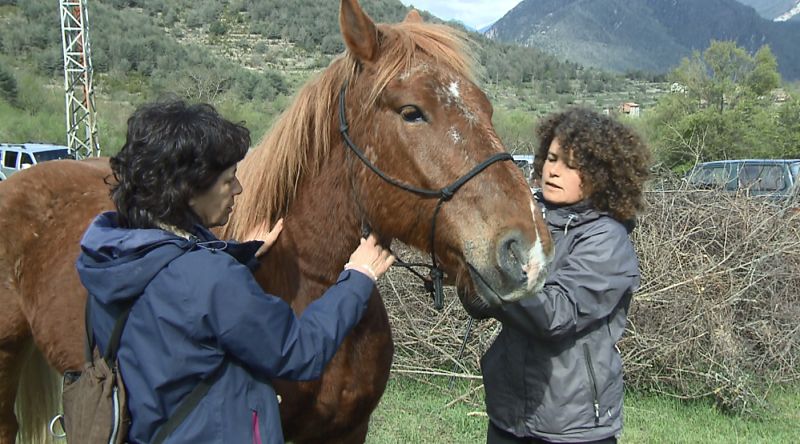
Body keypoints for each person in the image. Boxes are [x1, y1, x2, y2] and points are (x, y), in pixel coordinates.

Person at [76, 100, 394, 443]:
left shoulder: (112, 256)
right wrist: (358, 276)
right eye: (228, 180)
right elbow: (299, 351)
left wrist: (240, 253)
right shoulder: (210, 278)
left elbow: (175, 305)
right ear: (188, 190)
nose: (239, 189)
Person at [477, 107, 651, 443]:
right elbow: (481, 302)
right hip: (508, 417)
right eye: (552, 158)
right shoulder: (526, 221)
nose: (554, 171)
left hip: (571, 426)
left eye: (572, 165)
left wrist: (495, 273)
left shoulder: (607, 239)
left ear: (601, 175)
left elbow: (554, 315)